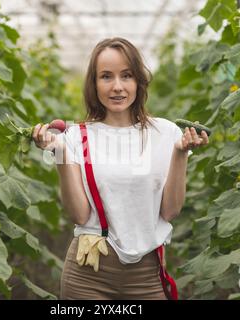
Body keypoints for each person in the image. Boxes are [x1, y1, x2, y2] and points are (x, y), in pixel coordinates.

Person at [32, 37, 209, 299]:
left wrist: (180, 153)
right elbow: (80, 215)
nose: (117, 87)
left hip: (146, 275)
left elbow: (170, 211)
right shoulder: (74, 136)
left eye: (126, 76)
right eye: (106, 77)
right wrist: (59, 152)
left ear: (139, 80)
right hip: (88, 273)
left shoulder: (166, 132)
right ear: (94, 84)